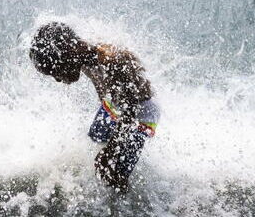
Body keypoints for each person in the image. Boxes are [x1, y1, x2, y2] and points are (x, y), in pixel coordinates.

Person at [29, 22, 160, 192]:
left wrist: (111, 150)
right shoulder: (82, 52)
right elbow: (106, 88)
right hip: (114, 104)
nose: (58, 79)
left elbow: (131, 111)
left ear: (66, 55)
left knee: (115, 175)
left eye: (55, 72)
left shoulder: (112, 61)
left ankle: (122, 199)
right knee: (95, 141)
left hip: (140, 115)